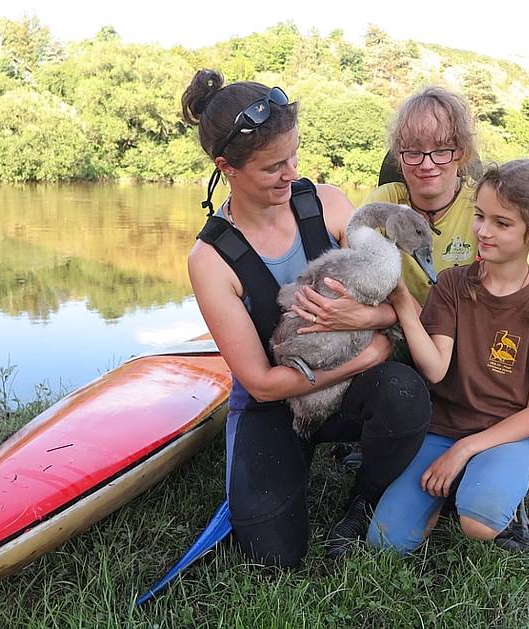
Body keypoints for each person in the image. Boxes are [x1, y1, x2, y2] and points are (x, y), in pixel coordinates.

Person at [181, 69, 430, 566]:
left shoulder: (330, 204)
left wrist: (363, 321)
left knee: (403, 393)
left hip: (345, 391)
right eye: (274, 166)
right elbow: (263, 383)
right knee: (272, 555)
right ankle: (294, 454)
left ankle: (363, 499)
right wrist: (369, 354)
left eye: (294, 155)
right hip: (275, 403)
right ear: (227, 167)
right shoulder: (210, 260)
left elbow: (398, 304)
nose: (292, 172)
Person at [366, 159, 529, 555]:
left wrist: (465, 449)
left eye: (501, 224)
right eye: (480, 216)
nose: (483, 231)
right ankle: (462, 485)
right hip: (444, 426)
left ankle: (491, 489)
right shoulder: (453, 284)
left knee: (480, 522)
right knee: (386, 541)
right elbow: (434, 369)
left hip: (509, 435)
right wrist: (401, 300)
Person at [364, 86, 480, 306]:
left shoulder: (482, 206)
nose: (427, 164)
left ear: (462, 153)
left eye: (441, 150)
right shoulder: (382, 203)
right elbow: (350, 279)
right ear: (399, 155)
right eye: (414, 152)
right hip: (395, 330)